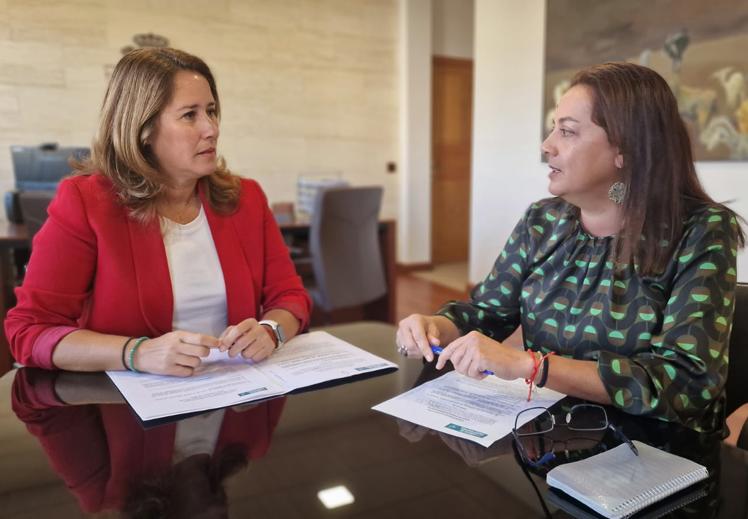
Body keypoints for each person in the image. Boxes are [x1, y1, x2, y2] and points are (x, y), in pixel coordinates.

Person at [397, 62, 744, 433]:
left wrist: (532, 366)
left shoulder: (702, 230)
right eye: (553, 129)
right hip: (550, 434)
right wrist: (436, 326)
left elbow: (686, 383)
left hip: (658, 451)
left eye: (567, 132)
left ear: (625, 150)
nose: (547, 146)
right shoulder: (542, 221)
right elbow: (487, 312)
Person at [5, 48, 311, 376]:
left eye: (211, 111)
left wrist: (270, 331)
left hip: (236, 403)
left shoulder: (245, 197)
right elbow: (30, 331)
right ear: (144, 129)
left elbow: (290, 296)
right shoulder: (86, 202)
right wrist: (137, 352)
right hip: (128, 412)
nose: (211, 129)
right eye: (189, 115)